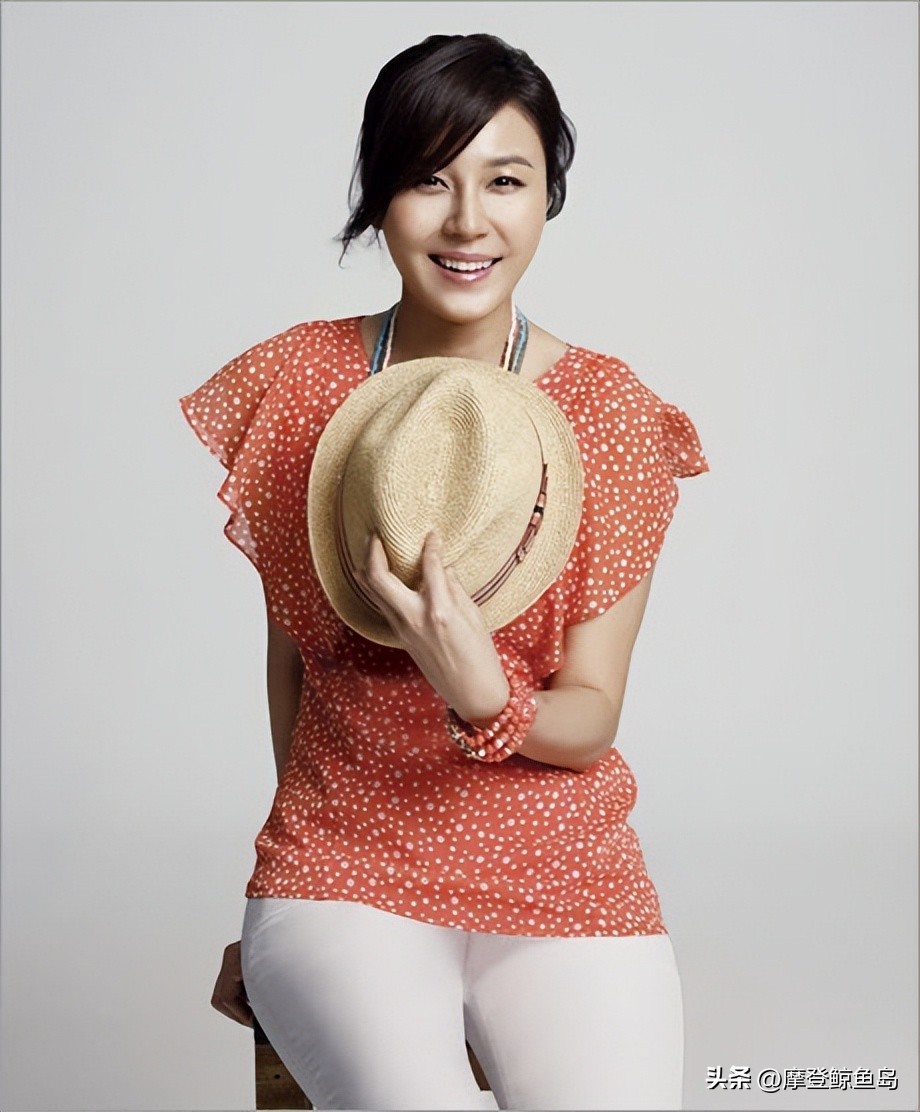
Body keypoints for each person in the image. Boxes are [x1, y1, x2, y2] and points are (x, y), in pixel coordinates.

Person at [181, 32, 707, 1112]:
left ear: (548, 197)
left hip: (563, 867)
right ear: (379, 197)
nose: (468, 222)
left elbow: (591, 714)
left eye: (505, 181)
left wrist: (485, 694)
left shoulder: (608, 413)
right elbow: (295, 664)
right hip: (344, 864)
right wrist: (282, 896)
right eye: (428, 179)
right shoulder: (303, 382)